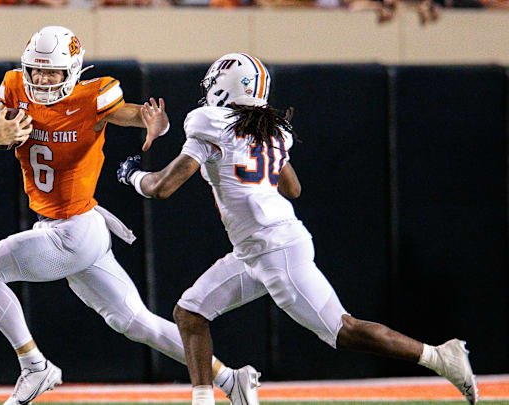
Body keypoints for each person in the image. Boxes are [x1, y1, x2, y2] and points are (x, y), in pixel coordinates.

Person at [117, 52, 479, 405]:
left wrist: (132, 175)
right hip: (256, 248)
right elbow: (293, 188)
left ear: (222, 87)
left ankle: (439, 357)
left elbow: (161, 187)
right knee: (190, 313)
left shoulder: (208, 125)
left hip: (274, 248)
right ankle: (206, 398)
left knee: (344, 330)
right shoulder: (272, 131)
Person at [0, 27, 259, 405]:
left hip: (73, 233)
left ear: (73, 71)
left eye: (52, 72)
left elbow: (137, 116)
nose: (43, 80)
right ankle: (231, 380)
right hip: (74, 227)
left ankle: (34, 365)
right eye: (36, 71)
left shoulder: (92, 99)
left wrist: (156, 124)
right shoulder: (15, 93)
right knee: (135, 322)